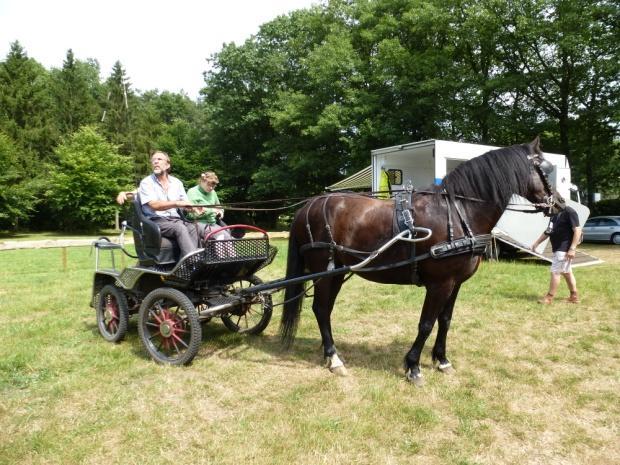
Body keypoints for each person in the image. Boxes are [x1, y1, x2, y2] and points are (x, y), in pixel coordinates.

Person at [138, 151, 204, 258]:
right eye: (153, 160)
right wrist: (176, 203)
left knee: (192, 227)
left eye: (159, 159)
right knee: (180, 228)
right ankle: (192, 261)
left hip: (174, 219)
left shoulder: (177, 183)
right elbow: (154, 205)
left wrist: (194, 209)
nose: (155, 162)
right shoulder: (146, 182)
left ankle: (184, 262)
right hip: (155, 221)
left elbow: (185, 204)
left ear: (167, 164)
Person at [531, 193, 581, 304]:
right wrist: (537, 243)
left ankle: (549, 297)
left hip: (564, 248)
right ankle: (574, 296)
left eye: (549, 204)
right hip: (557, 247)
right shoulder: (554, 215)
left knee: (555, 272)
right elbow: (549, 231)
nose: (548, 207)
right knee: (567, 273)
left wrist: (572, 248)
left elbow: (577, 230)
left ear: (556, 202)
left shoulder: (569, 212)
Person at [186, 171, 234, 246]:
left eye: (213, 186)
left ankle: (231, 258)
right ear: (202, 181)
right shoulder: (192, 192)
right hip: (198, 223)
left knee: (228, 237)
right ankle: (219, 258)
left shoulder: (213, 192)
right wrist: (212, 211)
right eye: (209, 185)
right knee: (220, 236)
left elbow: (219, 207)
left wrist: (221, 212)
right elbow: (190, 215)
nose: (211, 188)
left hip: (213, 223)